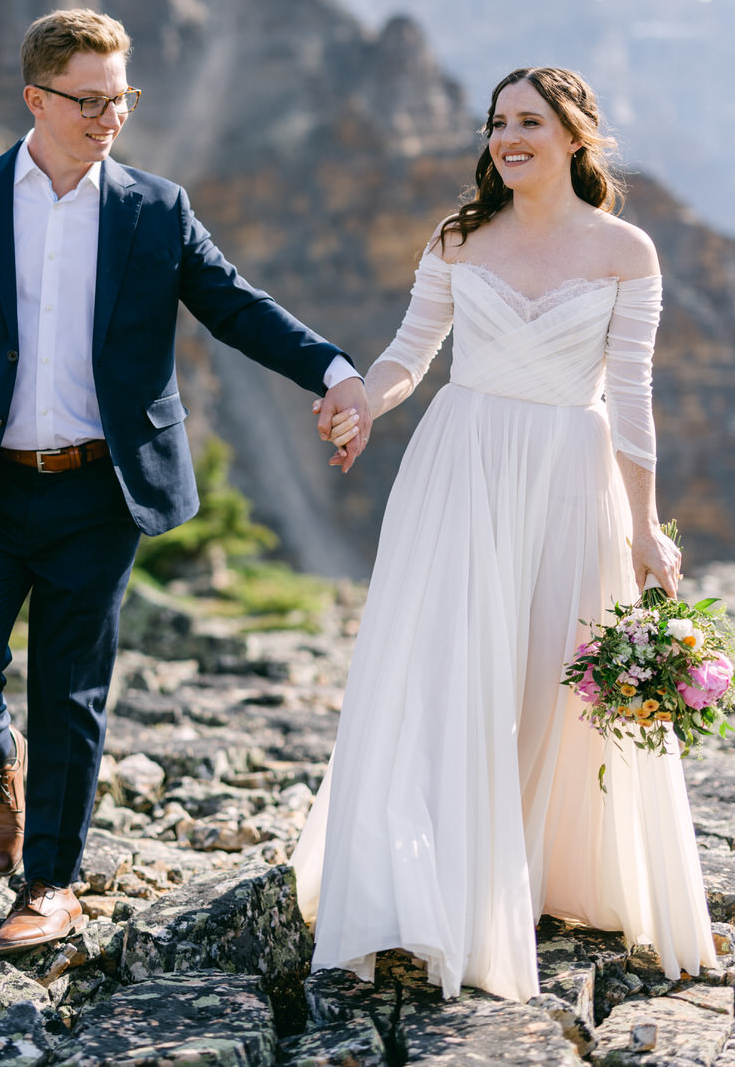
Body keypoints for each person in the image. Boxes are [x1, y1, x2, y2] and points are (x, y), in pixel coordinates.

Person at [0, 8, 369, 956]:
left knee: (71, 689)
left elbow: (236, 308)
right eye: (89, 100)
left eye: (121, 98)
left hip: (98, 489)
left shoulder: (155, 209)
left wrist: (334, 372)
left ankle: (51, 882)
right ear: (35, 98)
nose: (110, 116)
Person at [300, 65, 715, 1002]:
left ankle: (522, 876)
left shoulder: (626, 251)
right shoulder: (458, 240)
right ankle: (441, 883)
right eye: (497, 123)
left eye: (529, 120)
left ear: (577, 134)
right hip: (462, 466)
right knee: (451, 669)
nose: (507, 137)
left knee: (545, 676)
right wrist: (365, 398)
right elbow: (411, 355)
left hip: (574, 471)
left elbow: (634, 399)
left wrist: (646, 529)